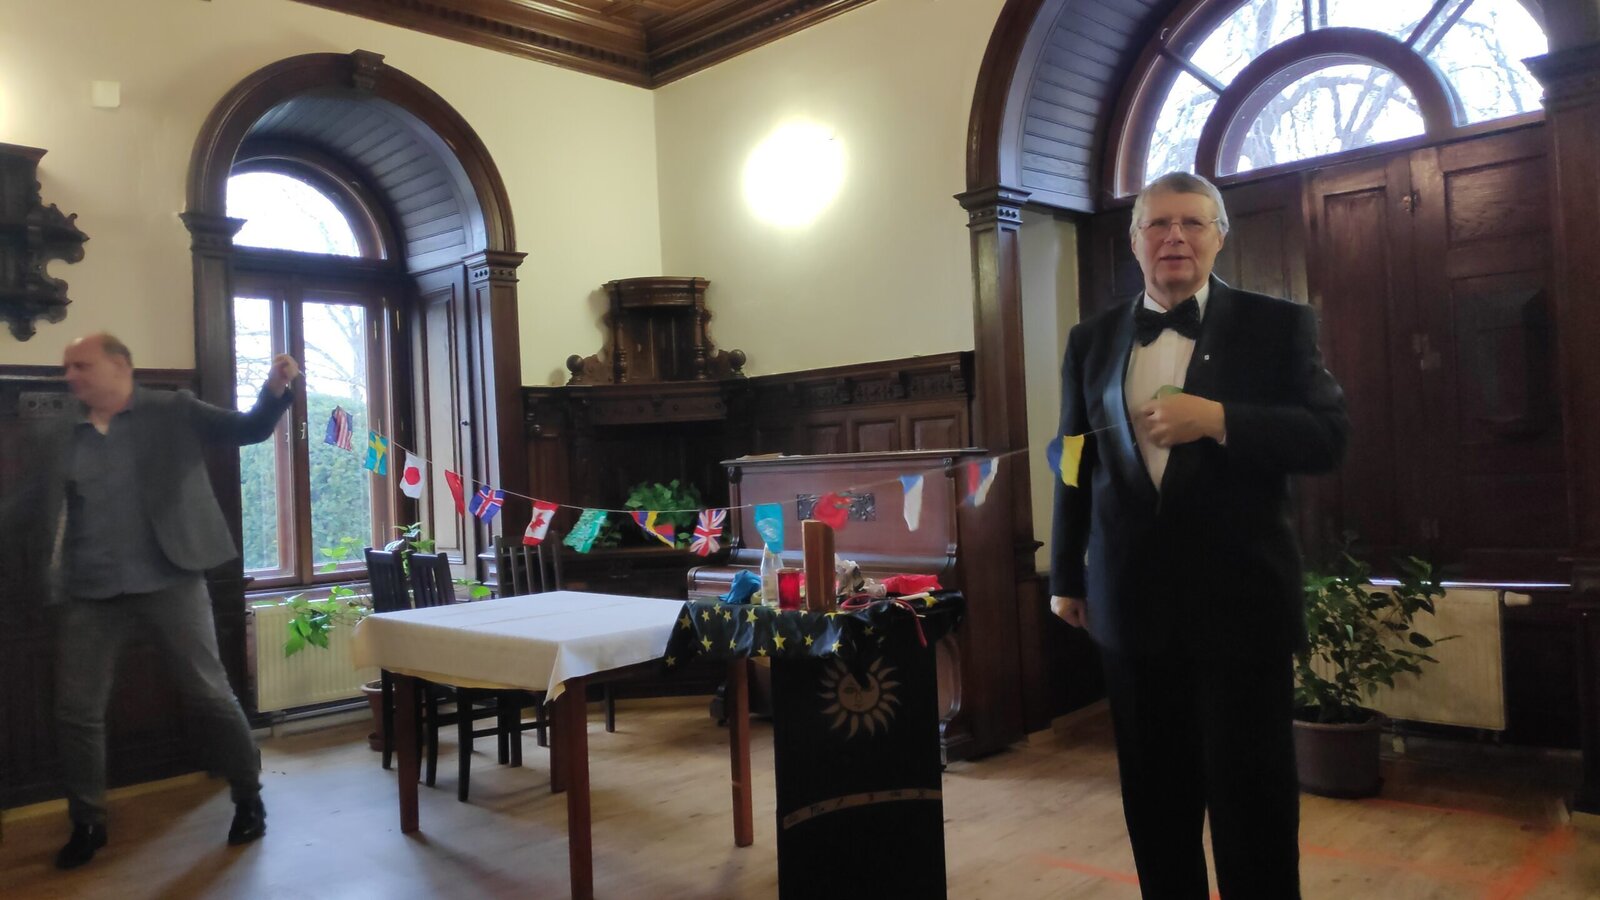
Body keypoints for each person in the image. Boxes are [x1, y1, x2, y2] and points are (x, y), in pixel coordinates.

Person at [1049, 172, 1349, 899]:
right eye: (1158, 224)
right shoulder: (1091, 339)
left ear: (1220, 237)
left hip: (1241, 608)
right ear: (1134, 241)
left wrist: (1218, 420)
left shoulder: (1278, 325)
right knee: (1156, 805)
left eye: (1191, 222)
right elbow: (1073, 457)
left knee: (1254, 806)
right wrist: (1064, 573)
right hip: (1128, 606)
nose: (1174, 237)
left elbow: (1329, 438)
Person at [8, 333, 299, 869]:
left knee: (209, 694)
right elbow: (28, 503)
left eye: (81, 365)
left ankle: (248, 797)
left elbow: (248, 430)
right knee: (76, 712)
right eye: (68, 367)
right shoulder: (61, 432)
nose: (70, 376)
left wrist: (275, 390)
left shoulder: (173, 410)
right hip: (89, 590)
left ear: (120, 366)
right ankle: (87, 822)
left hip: (171, 578)